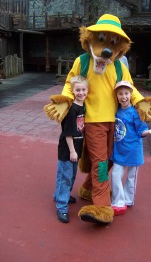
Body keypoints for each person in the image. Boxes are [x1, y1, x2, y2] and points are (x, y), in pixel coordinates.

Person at [110, 81, 151, 215]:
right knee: (116, 175)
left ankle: (128, 199)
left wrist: (149, 132)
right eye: (120, 94)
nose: (124, 97)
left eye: (126, 93)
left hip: (133, 151)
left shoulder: (135, 113)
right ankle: (118, 202)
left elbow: (141, 130)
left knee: (131, 177)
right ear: (117, 96)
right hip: (119, 150)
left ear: (131, 94)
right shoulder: (115, 110)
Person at [54, 75, 89, 223]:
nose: (81, 92)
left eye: (83, 89)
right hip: (68, 149)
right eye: (78, 90)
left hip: (76, 148)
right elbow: (68, 133)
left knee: (71, 175)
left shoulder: (83, 106)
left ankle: (61, 195)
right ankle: (61, 206)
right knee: (66, 176)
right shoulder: (71, 110)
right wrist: (73, 151)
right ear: (73, 91)